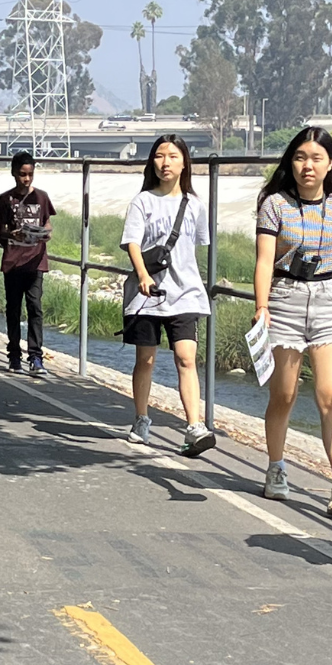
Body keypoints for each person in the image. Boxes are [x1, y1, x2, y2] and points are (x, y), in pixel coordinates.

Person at [253, 127, 332, 517]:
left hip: (328, 303)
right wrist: (262, 306)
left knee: (331, 396)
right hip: (285, 299)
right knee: (284, 395)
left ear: (330, 164)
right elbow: (265, 261)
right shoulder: (275, 205)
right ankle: (276, 467)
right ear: (291, 162)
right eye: (301, 157)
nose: (308, 166)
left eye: (317, 158)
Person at [120, 135, 216, 457]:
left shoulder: (194, 205)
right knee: (145, 360)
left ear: (184, 162)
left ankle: (194, 426)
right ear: (152, 163)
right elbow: (132, 242)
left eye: (172, 156)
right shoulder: (142, 201)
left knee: (185, 358)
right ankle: (142, 418)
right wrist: (144, 275)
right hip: (147, 294)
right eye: (159, 156)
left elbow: (196, 247)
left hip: (185, 293)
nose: (165, 163)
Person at [0, 151, 55, 375]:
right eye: (22, 174)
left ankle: (36, 357)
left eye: (29, 174)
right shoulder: (6, 199)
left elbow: (47, 224)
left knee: (35, 308)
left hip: (36, 261)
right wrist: (13, 236)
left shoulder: (42, 197)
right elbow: (1, 232)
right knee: (13, 309)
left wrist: (46, 234)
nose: (26, 179)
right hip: (13, 262)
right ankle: (14, 356)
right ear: (13, 173)